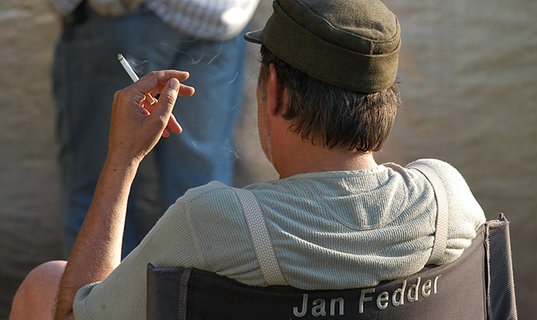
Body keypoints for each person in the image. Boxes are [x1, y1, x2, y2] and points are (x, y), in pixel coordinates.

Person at [11, 0, 486, 319]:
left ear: (274, 90)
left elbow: (75, 313)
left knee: (45, 283)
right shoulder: (448, 200)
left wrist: (121, 161)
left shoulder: (212, 224)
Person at [48, 0, 260, 256]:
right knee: (201, 189)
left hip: (126, 16)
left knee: (102, 195)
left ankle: (106, 295)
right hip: (219, 15)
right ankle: (196, 293)